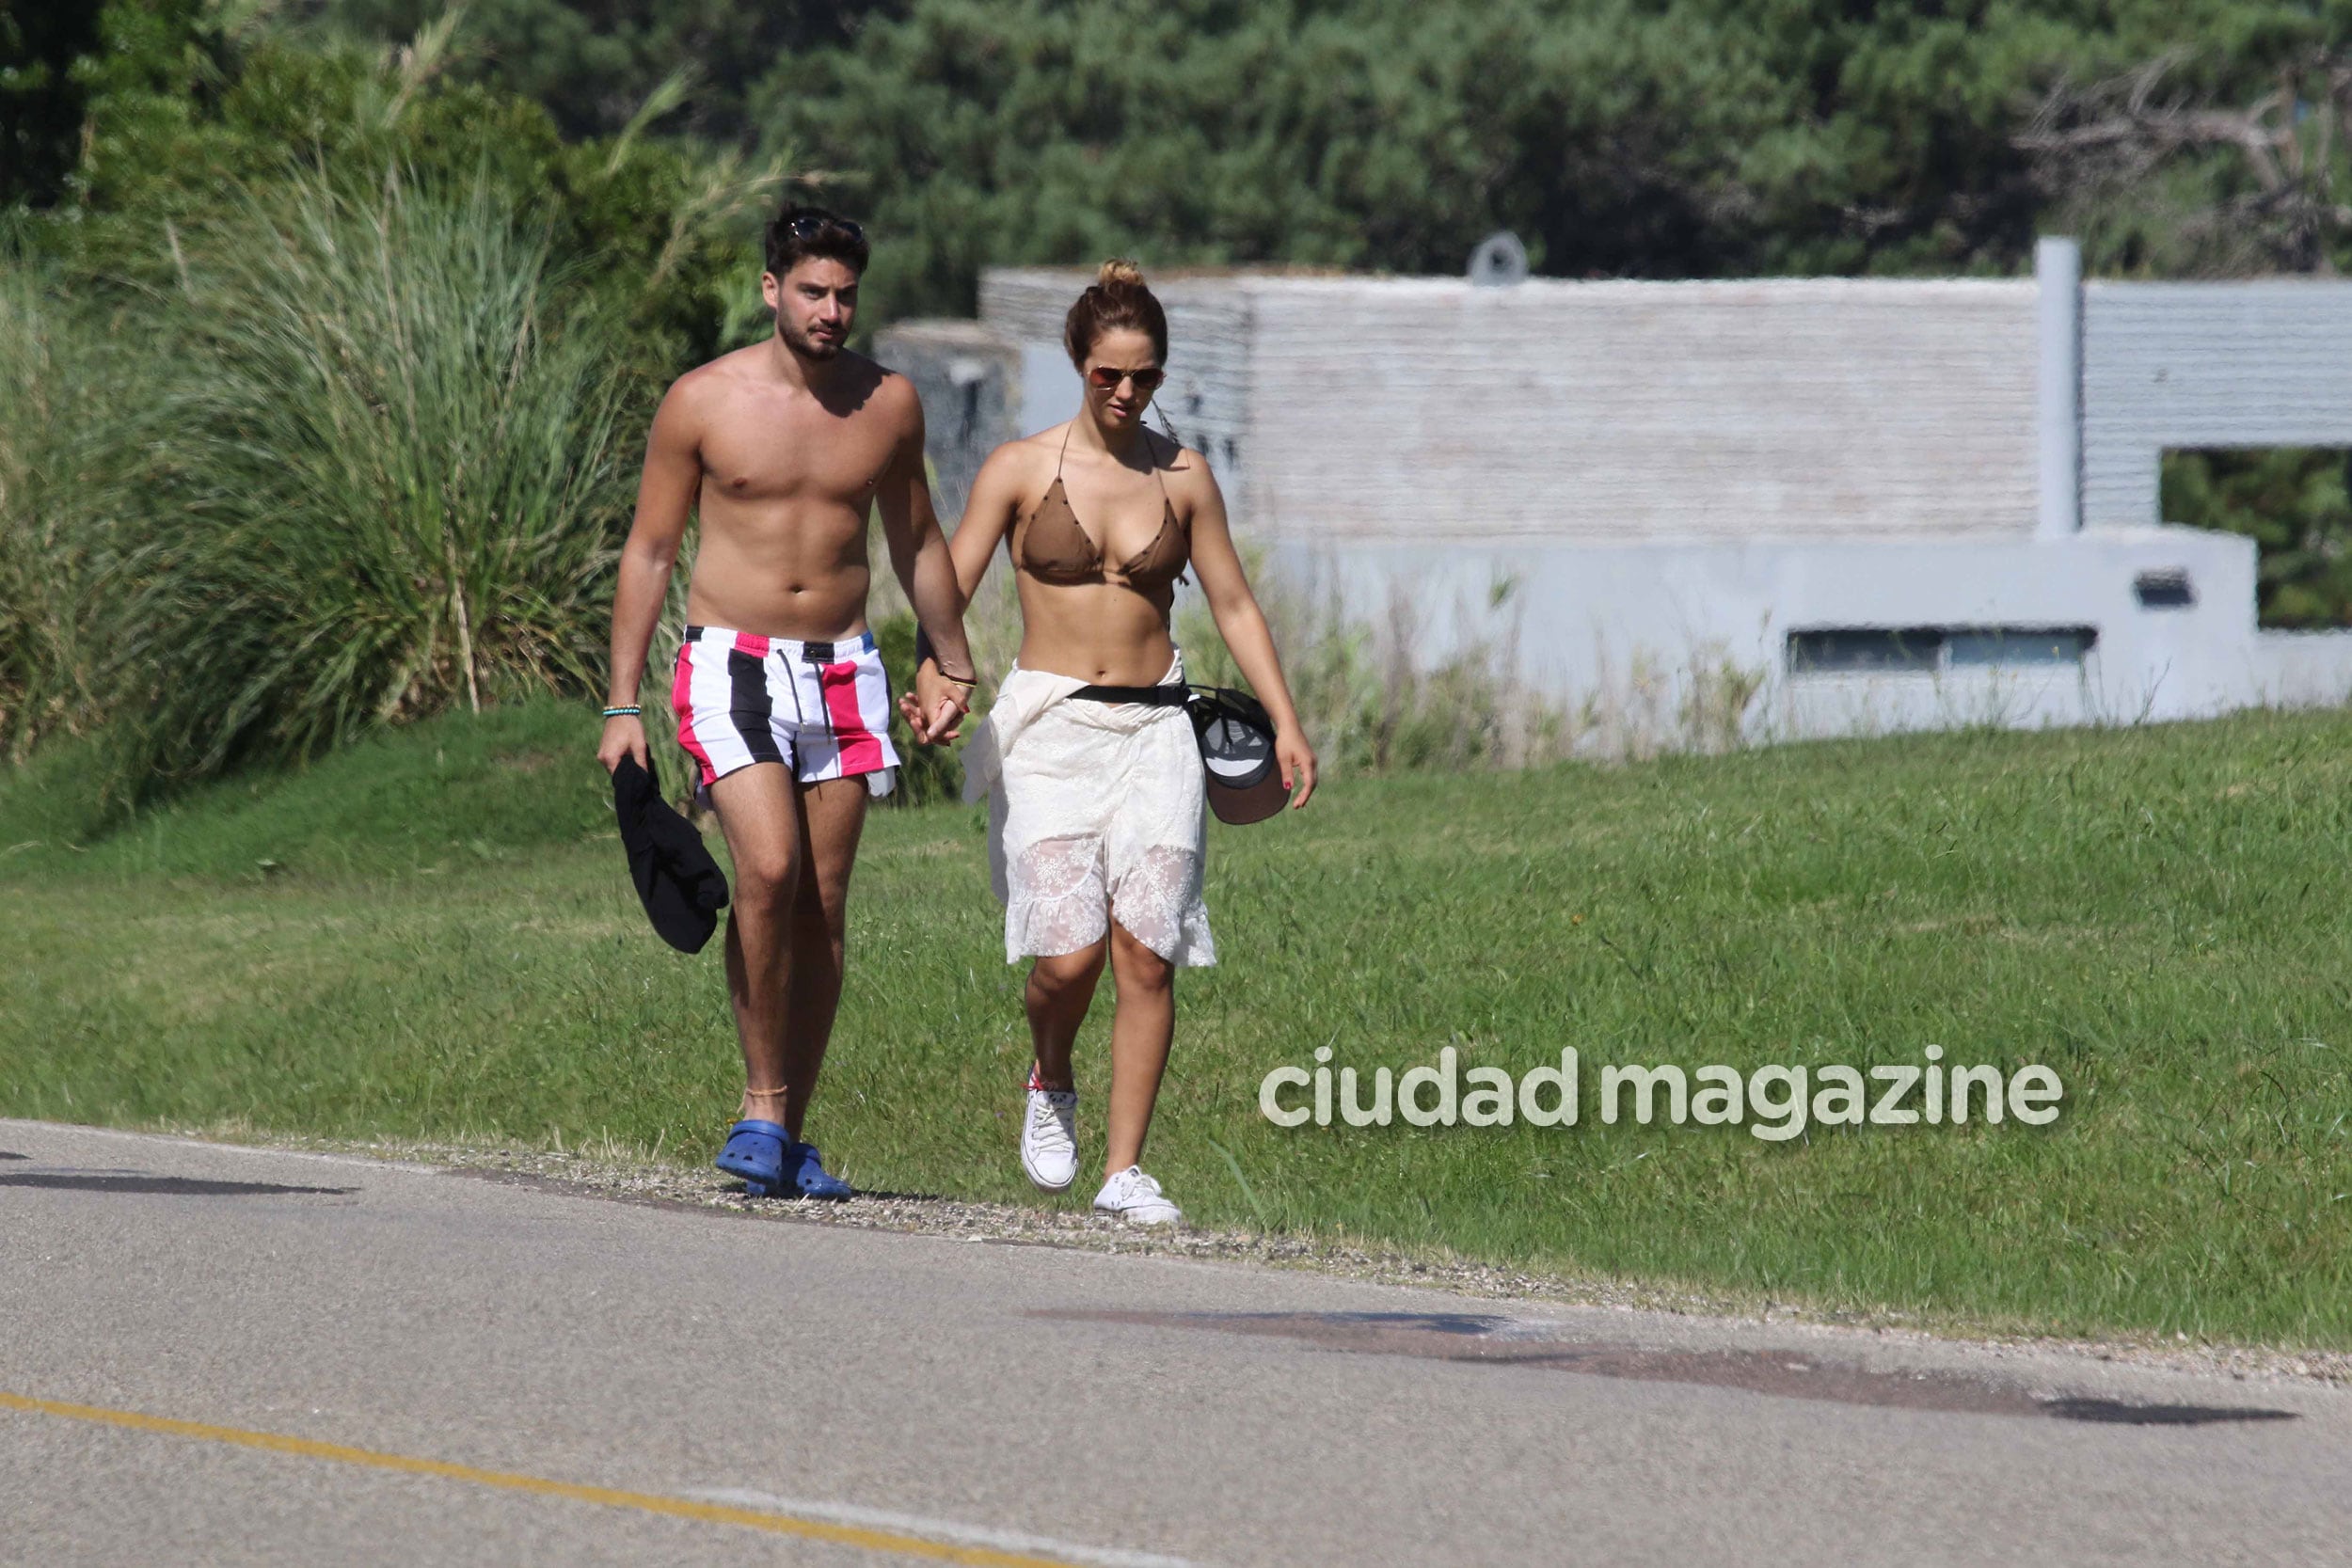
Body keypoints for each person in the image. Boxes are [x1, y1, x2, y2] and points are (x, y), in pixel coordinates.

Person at [912, 260, 1317, 1226]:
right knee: (1068, 957)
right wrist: (940, 675)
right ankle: (1049, 1070)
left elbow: (1230, 601)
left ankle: (1124, 1169)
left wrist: (1287, 718)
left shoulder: (1183, 477)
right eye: (1108, 375)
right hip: (1051, 725)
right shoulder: (1019, 468)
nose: (1127, 393)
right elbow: (950, 590)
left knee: (1149, 952)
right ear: (1077, 364)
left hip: (1156, 727)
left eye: (1144, 377)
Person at [598, 202, 977, 1198]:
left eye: (846, 294)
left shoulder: (887, 404)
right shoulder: (702, 401)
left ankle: (790, 1134)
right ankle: (760, 1105)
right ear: (772, 289)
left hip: (844, 665)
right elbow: (648, 549)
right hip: (729, 660)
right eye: (812, 290)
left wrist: (953, 660)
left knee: (823, 903)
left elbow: (918, 538)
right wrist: (621, 701)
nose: (831, 309)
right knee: (766, 869)